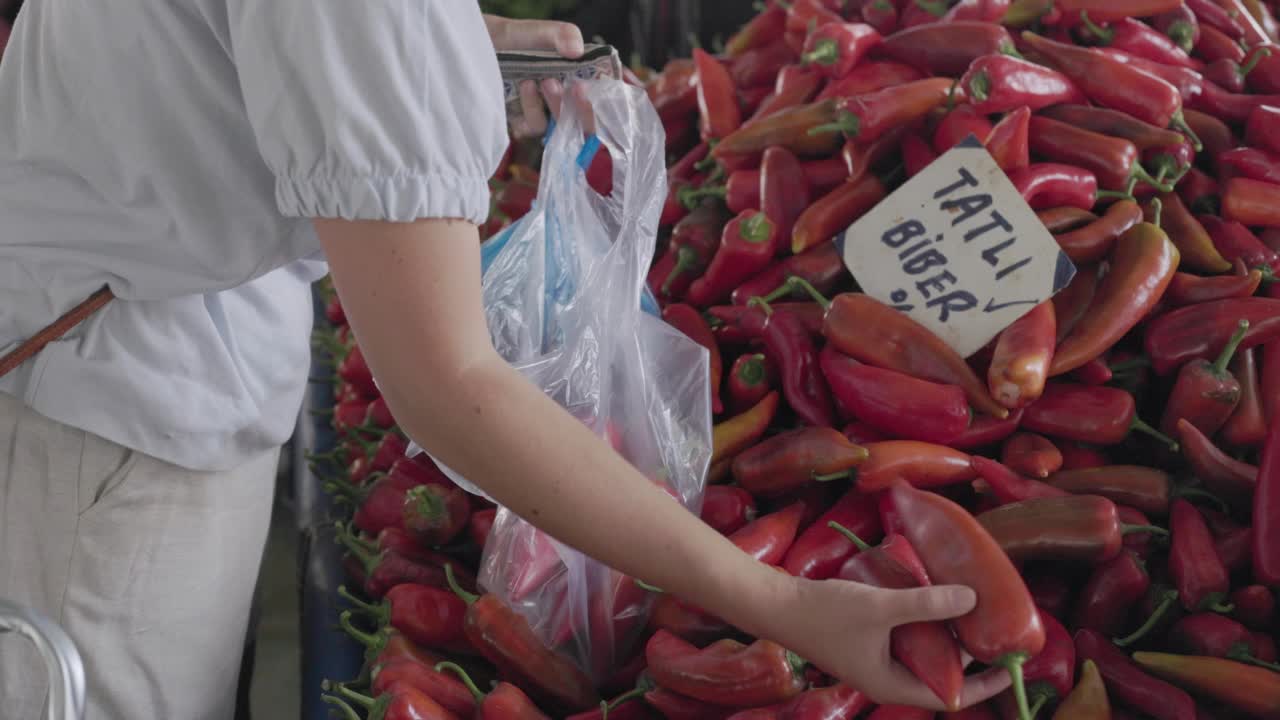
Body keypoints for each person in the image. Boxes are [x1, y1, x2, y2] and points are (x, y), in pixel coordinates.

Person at [0, 3, 1011, 718]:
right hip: (109, 409)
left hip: (158, 326)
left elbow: (255, 43)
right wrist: (780, 604)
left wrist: (469, 53)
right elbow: (451, 386)